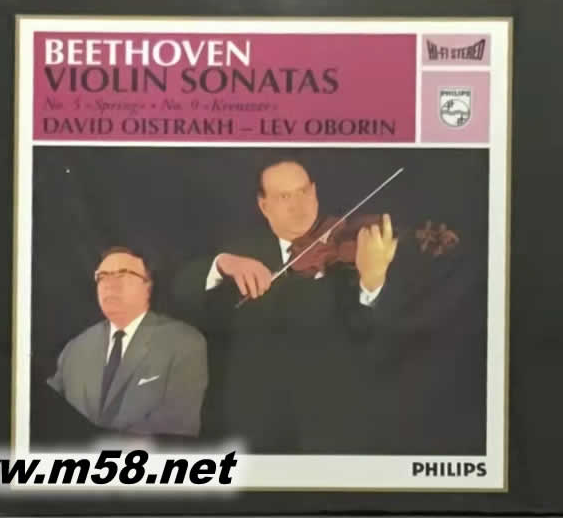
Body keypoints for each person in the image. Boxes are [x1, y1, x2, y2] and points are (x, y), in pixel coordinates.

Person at [173, 158, 486, 455]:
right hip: (254, 427)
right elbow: (180, 294)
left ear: (315, 191)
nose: (299, 206)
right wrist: (223, 263)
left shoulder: (363, 253)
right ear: (263, 205)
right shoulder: (240, 250)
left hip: (335, 428)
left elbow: (379, 342)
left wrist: (372, 280)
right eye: (284, 197)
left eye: (304, 192)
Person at [48, 246, 208, 437]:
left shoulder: (183, 343)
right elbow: (45, 413)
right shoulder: (75, 349)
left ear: (148, 287)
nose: (109, 284)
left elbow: (178, 425)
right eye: (102, 276)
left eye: (122, 274)